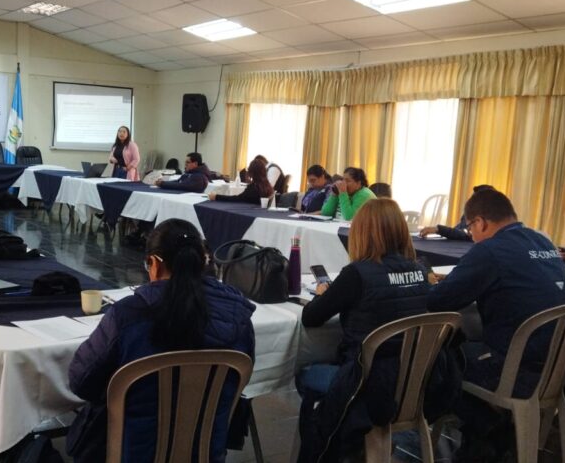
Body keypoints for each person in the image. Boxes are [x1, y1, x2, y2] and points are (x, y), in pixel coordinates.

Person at [67, 219, 255, 462]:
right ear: (204, 260)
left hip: (133, 452)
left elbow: (81, 382)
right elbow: (239, 379)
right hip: (206, 450)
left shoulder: (127, 315)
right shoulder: (238, 315)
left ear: (154, 264)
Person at [295, 199, 460, 461]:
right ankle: (354, 442)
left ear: (361, 232)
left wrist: (324, 294)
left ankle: (329, 446)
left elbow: (311, 318)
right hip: (418, 386)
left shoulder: (356, 275)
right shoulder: (420, 272)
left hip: (366, 384)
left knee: (304, 374)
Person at [425, 189, 565, 460]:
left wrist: (431, 283)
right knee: (467, 344)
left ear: (480, 222)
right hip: (556, 366)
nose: (471, 235)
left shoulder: (490, 250)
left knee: (434, 357)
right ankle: (485, 433)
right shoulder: (542, 241)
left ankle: (486, 427)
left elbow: (439, 301)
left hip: (515, 369)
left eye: (470, 228)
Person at [419, 184, 495, 241]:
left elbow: (467, 234)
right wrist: (438, 230)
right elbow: (459, 230)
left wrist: (438, 229)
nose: (472, 201)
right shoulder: (471, 211)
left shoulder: (491, 217)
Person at [208, 158, 273, 205]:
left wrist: (216, 197)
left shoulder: (254, 188)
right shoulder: (268, 186)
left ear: (251, 173)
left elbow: (237, 199)